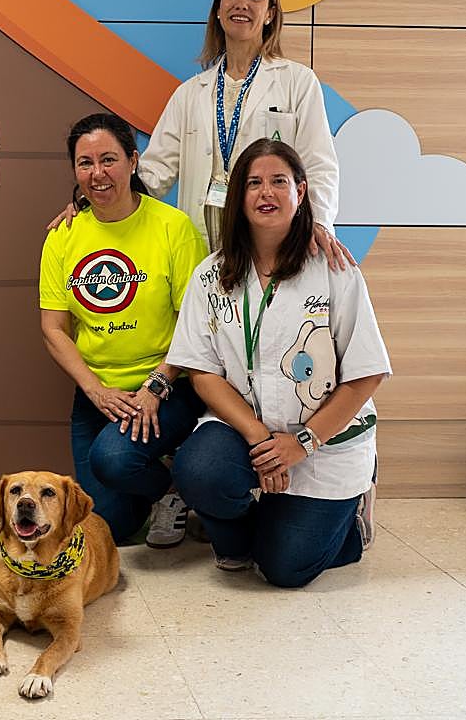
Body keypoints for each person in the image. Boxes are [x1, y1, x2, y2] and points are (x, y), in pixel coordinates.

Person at [167, 139, 390, 587]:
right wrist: (262, 440)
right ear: (238, 196)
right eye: (253, 183)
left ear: (300, 191)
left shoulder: (334, 268)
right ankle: (246, 536)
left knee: (285, 570)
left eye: (278, 182)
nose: (266, 192)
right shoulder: (211, 275)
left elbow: (366, 374)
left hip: (324, 438)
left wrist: (302, 443)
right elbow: (202, 373)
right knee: (200, 472)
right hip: (247, 432)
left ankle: (348, 524)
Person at [50, 0, 352, 269]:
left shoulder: (297, 82)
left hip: (270, 243)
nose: (242, 4)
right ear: (218, 10)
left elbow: (318, 163)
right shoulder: (190, 93)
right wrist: (91, 204)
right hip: (203, 248)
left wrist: (320, 222)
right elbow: (153, 173)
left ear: (270, 14)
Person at [39, 113, 207, 547]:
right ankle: (157, 487)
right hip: (98, 392)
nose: (97, 173)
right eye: (85, 163)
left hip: (168, 384)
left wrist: (156, 385)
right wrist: (95, 390)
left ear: (133, 161)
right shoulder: (63, 235)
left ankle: (176, 488)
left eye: (109, 159)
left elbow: (196, 326)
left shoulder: (174, 228)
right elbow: (53, 329)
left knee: (112, 458)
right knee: (106, 525)